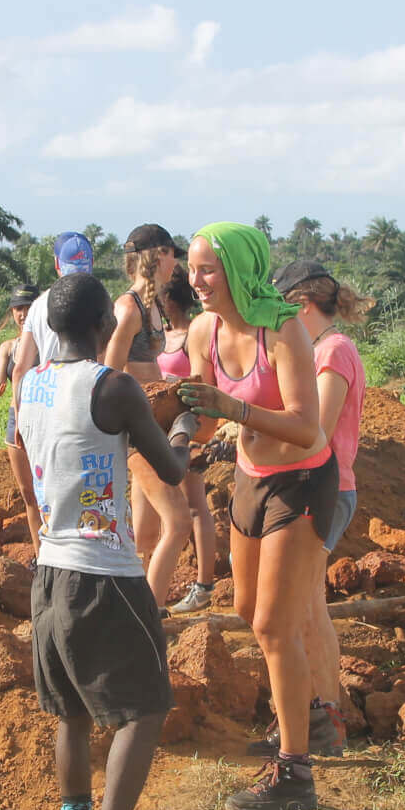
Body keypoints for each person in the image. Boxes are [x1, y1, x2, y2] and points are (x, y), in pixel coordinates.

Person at [20, 272, 194, 810]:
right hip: (105, 573)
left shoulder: (30, 387)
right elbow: (170, 468)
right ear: (102, 326)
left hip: (50, 571)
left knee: (69, 712)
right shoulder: (113, 387)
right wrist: (187, 423)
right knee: (144, 707)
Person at [177, 223, 329, 810]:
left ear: (240, 270)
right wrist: (175, 427)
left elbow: (304, 425)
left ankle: (296, 774)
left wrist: (234, 408)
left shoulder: (282, 328)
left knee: (272, 625)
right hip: (248, 479)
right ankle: (305, 715)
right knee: (246, 610)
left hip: (301, 481)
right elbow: (205, 414)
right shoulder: (202, 331)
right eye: (193, 269)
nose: (197, 281)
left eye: (209, 268)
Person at [244, 260, 371, 759]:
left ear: (299, 304)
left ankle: (323, 720)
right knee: (305, 609)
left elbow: (316, 426)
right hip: (307, 487)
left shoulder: (333, 351)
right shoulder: (319, 350)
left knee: (304, 613)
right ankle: (314, 719)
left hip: (325, 487)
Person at [103, 223, 192, 608]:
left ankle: (130, 608)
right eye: (172, 253)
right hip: (139, 427)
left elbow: (142, 366)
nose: (176, 262)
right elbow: (109, 371)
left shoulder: (151, 304)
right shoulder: (129, 307)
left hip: (153, 419)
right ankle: (149, 614)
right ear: (156, 256)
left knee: (148, 532)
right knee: (179, 523)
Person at [9, 233, 96, 543]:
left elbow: (21, 367)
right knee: (84, 492)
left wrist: (20, 419)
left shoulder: (40, 304)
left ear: (57, 265)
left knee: (44, 489)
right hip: (83, 404)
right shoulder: (98, 297)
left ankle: (46, 556)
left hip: (44, 402)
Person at [158, 264, 220, 616]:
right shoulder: (160, 335)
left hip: (190, 428)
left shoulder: (192, 336)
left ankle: (204, 584)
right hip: (162, 432)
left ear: (170, 300)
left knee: (195, 505)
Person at [0, 284, 43, 543]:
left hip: (45, 418)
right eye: (18, 308)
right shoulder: (7, 347)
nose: (22, 313)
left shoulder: (49, 344)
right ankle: (39, 555)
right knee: (28, 493)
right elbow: (1, 380)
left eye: (28, 307)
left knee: (49, 492)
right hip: (15, 418)